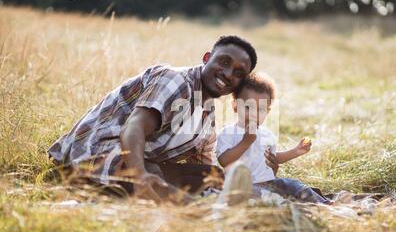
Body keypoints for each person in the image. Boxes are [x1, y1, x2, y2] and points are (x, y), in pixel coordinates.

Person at [48, 35, 257, 203]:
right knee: (153, 173)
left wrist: (216, 182)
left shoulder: (207, 116)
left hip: (135, 162)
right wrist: (140, 175)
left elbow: (200, 165)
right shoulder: (176, 80)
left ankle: (221, 204)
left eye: (238, 72)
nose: (228, 73)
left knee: (212, 174)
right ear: (206, 58)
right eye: (224, 62)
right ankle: (203, 213)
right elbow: (134, 128)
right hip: (90, 154)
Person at [215, 72, 331, 204]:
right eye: (248, 107)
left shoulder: (267, 134)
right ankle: (276, 202)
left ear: (267, 112)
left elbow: (273, 158)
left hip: (270, 182)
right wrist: (246, 142)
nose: (254, 114)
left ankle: (324, 204)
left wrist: (295, 151)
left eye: (260, 110)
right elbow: (224, 161)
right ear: (235, 106)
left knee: (293, 184)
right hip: (245, 186)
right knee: (260, 197)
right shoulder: (227, 133)